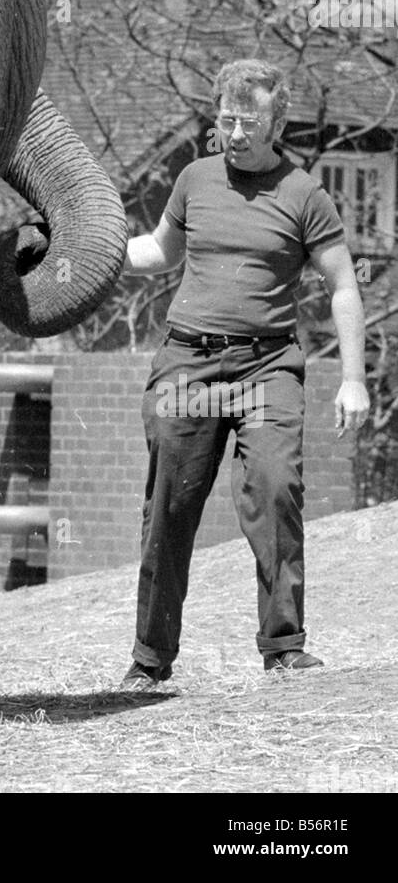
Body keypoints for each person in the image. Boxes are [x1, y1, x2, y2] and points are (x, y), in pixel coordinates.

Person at [121, 60, 370, 685]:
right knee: (169, 507)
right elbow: (159, 251)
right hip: (190, 364)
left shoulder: (305, 193)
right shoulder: (195, 178)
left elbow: (343, 286)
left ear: (277, 123)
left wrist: (353, 378)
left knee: (275, 484)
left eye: (247, 123)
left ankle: (284, 645)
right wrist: (88, 251)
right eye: (225, 120)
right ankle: (150, 661)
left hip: (267, 367)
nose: (233, 133)